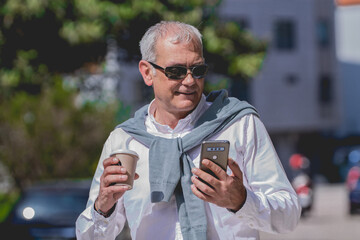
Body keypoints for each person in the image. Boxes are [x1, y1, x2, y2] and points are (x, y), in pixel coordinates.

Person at [76, 21, 301, 240]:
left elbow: (289, 216)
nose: (190, 80)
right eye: (176, 71)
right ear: (147, 72)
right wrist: (103, 207)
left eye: (198, 69)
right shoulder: (124, 141)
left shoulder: (238, 125)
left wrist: (242, 201)